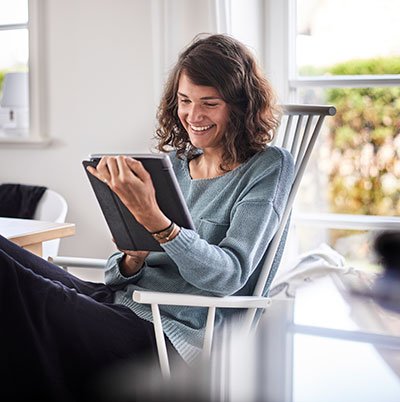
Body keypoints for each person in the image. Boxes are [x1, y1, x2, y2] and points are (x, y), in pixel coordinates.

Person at [0, 33, 294, 401]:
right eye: (185, 101)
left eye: (210, 103)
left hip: (168, 334)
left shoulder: (268, 166)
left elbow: (229, 275)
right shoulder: (173, 166)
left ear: (240, 106)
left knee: (16, 286)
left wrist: (159, 224)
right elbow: (115, 277)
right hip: (122, 305)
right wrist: (131, 256)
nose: (194, 116)